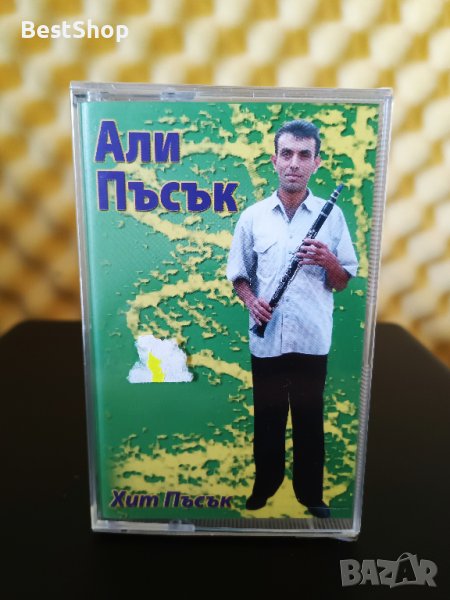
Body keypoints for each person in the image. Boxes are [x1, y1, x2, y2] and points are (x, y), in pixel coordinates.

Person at [226, 119, 358, 518]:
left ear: (316, 162)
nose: (294, 163)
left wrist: (329, 261)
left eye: (304, 155)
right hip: (266, 338)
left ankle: (310, 494)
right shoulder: (253, 217)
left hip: (311, 339)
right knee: (267, 419)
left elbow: (342, 281)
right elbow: (239, 276)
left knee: (308, 420)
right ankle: (265, 485)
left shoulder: (332, 216)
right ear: (274, 160)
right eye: (287, 154)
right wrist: (251, 302)